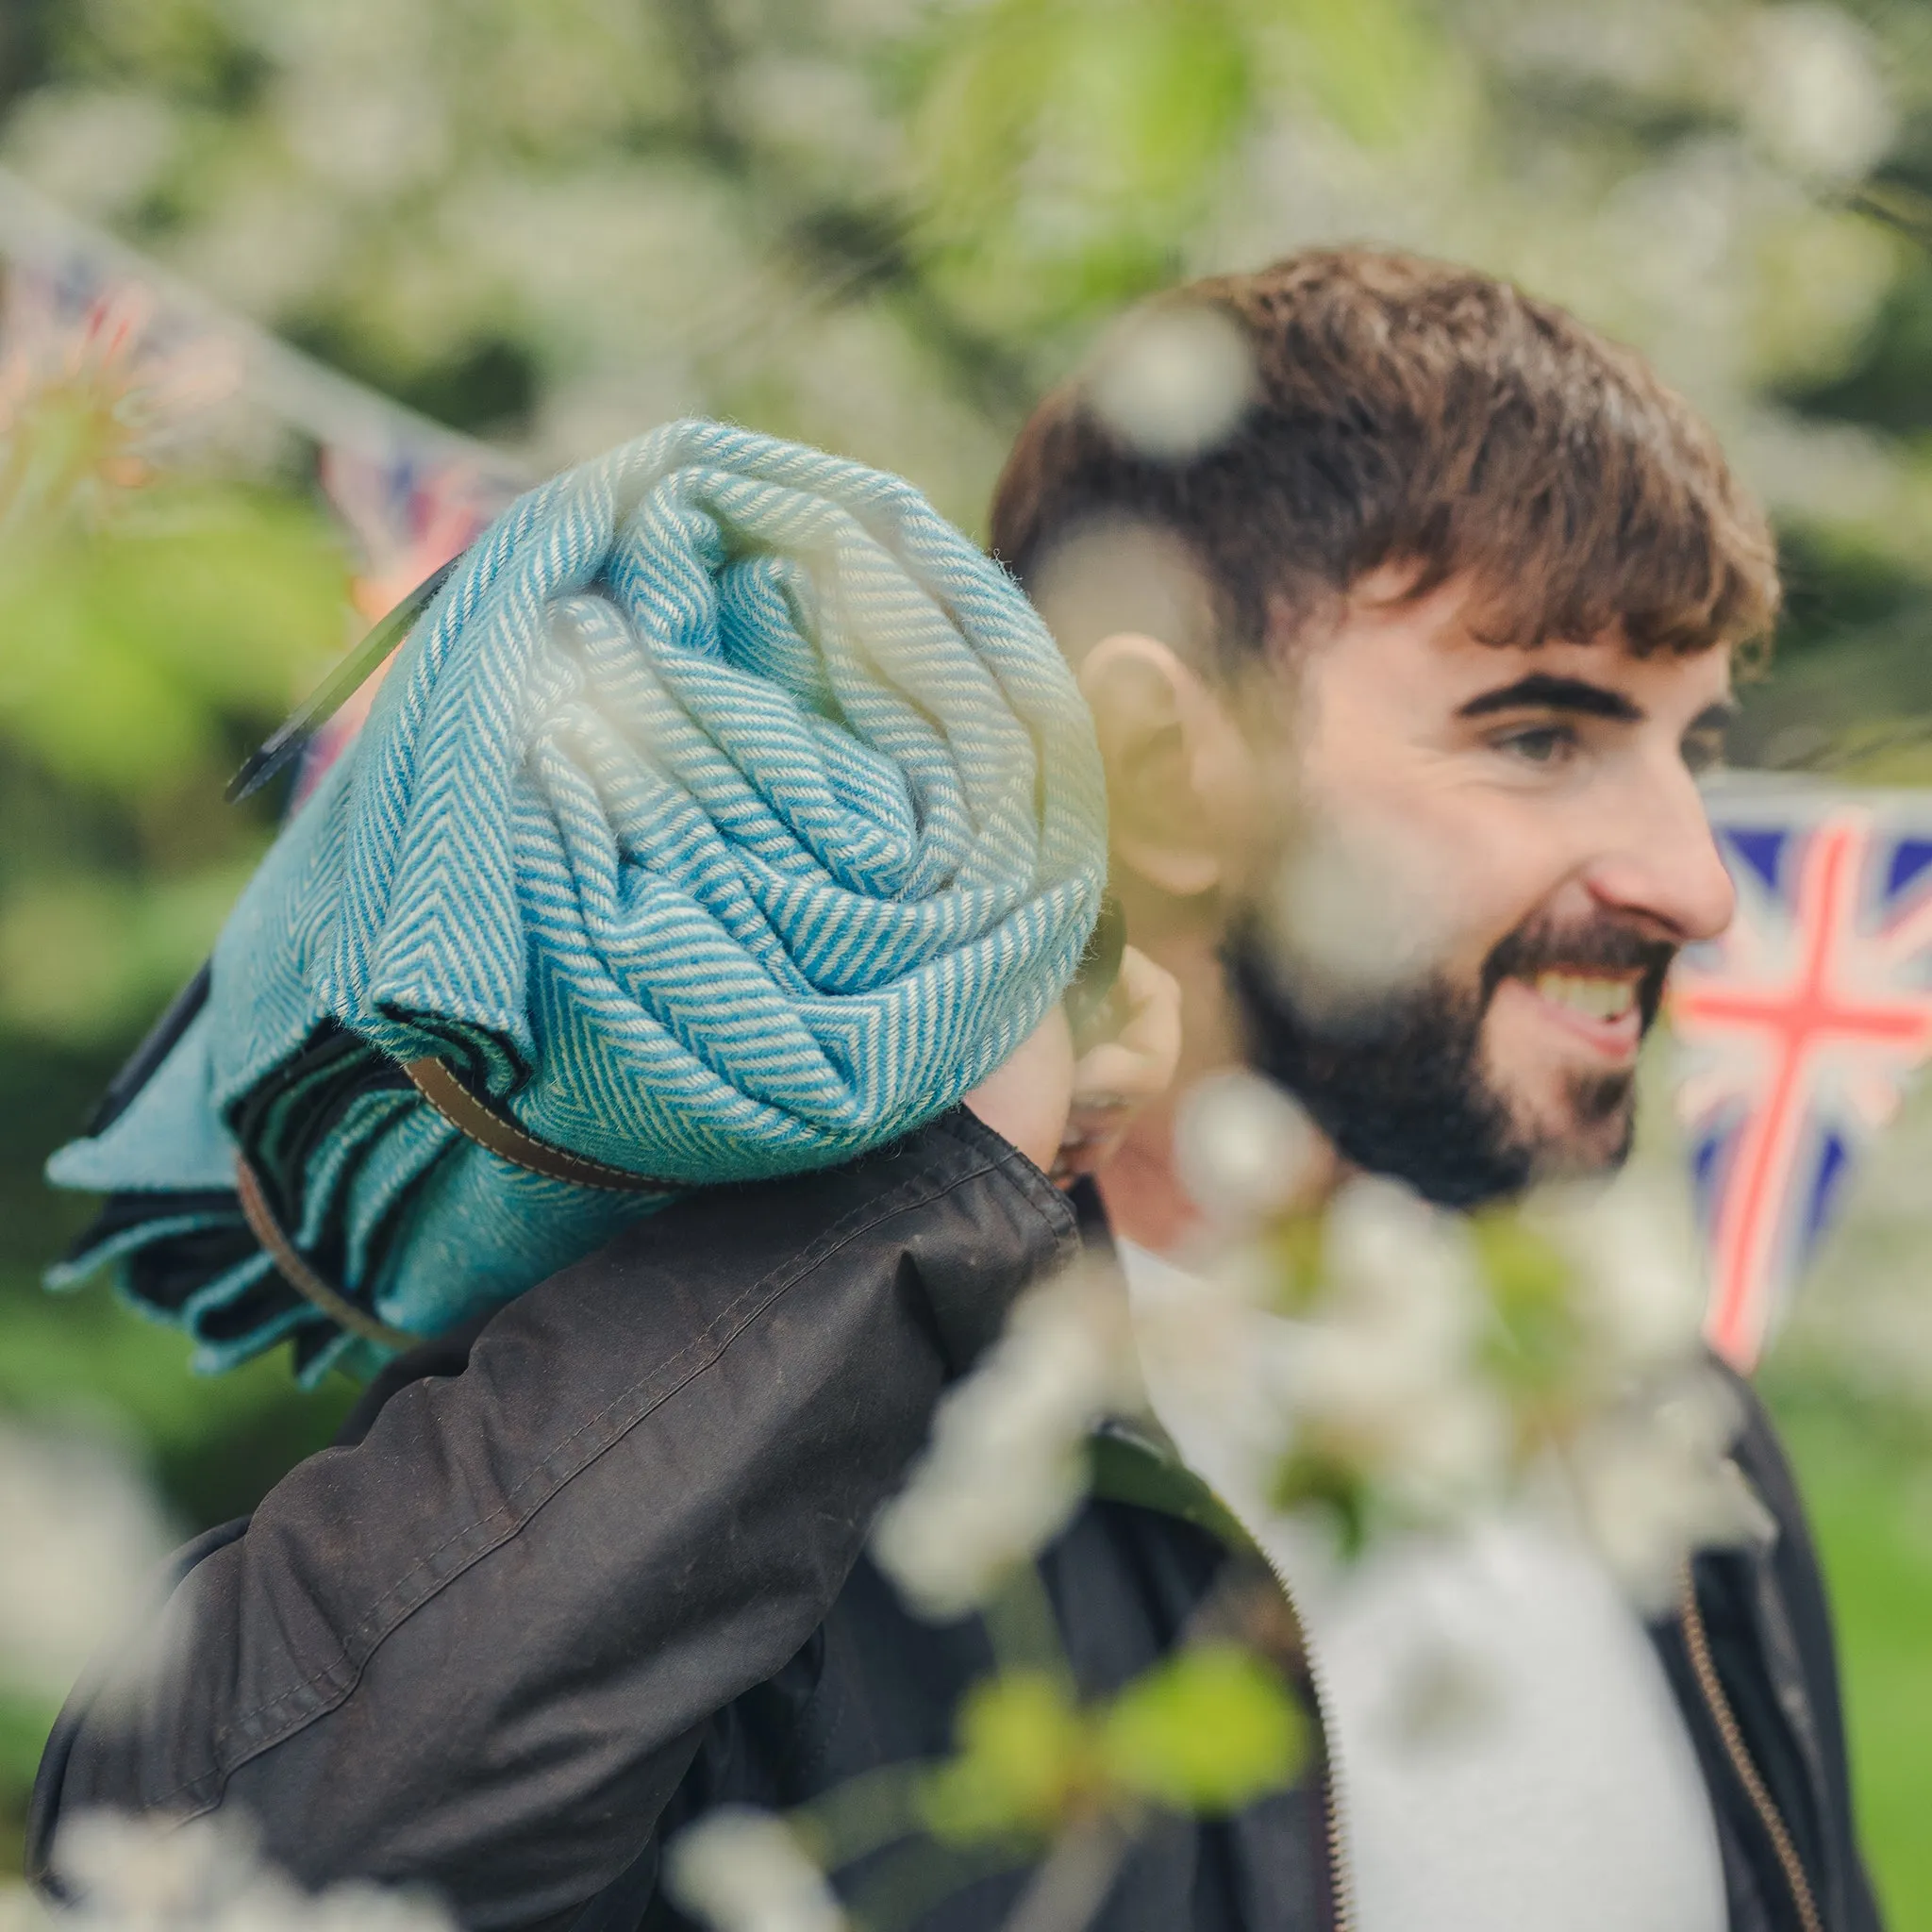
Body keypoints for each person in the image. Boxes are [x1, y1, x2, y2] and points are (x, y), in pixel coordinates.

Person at [29, 249, 1879, 1932]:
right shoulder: (792, 1375)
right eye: (1540, 732)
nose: (1693, 877)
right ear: (1161, 762)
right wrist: (904, 1212)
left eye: (1692, 742)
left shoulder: (1658, 1422)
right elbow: (207, 1861)